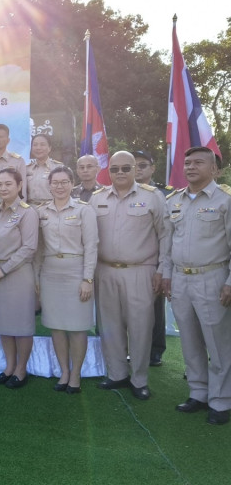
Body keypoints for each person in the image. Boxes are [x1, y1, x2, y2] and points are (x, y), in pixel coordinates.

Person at [89, 151, 167, 400]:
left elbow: (165, 235)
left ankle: (139, 379)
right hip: (105, 270)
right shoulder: (97, 198)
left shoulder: (152, 197)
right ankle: (117, 374)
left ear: (135, 169)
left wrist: (162, 269)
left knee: (141, 326)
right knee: (109, 325)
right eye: (115, 169)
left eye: (126, 168)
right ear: (108, 171)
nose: (120, 173)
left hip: (141, 270)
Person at [162, 146, 231, 425]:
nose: (191, 167)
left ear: (214, 169)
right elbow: (168, 244)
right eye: (188, 163)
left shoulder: (225, 200)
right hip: (181, 279)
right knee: (189, 340)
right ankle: (198, 392)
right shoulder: (174, 201)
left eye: (198, 163)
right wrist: (166, 274)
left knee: (218, 342)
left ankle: (221, 400)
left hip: (212, 277)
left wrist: (230, 282)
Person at [35, 166, 98, 393]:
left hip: (76, 272)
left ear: (72, 184)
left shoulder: (84, 210)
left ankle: (76, 375)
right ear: (49, 185)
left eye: (64, 182)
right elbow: (38, 249)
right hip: (50, 273)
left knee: (77, 327)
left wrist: (87, 279)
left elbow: (91, 246)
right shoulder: (41, 211)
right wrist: (36, 279)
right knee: (56, 326)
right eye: (55, 182)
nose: (59, 186)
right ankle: (64, 372)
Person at [0, 168, 38, 389]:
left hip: (16, 275)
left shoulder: (27, 213)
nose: (3, 188)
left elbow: (29, 248)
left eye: (8, 184)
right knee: (3, 323)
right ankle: (9, 367)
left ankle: (21, 370)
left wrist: (3, 270)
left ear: (19, 186)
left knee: (20, 325)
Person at [132, 149, 173, 367]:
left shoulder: (165, 194)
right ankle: (134, 349)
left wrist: (163, 265)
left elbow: (167, 232)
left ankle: (155, 350)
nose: (137, 169)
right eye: (134, 165)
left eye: (142, 165)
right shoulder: (125, 192)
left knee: (154, 308)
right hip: (131, 259)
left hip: (155, 259)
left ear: (153, 168)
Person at [26, 133, 63, 206]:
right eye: (35, 145)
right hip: (30, 208)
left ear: (49, 148)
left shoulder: (58, 168)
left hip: (51, 207)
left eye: (42, 144)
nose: (38, 148)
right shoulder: (26, 169)